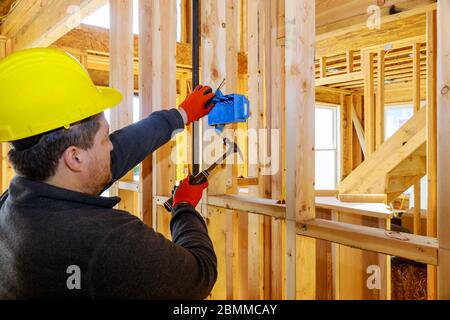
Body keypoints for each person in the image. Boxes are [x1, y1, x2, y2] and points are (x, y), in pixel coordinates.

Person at [0, 48, 217, 299]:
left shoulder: (12, 205)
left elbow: (116, 155)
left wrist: (180, 115)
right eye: (105, 139)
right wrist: (184, 207)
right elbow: (200, 275)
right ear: (75, 157)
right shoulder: (106, 240)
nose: (111, 145)